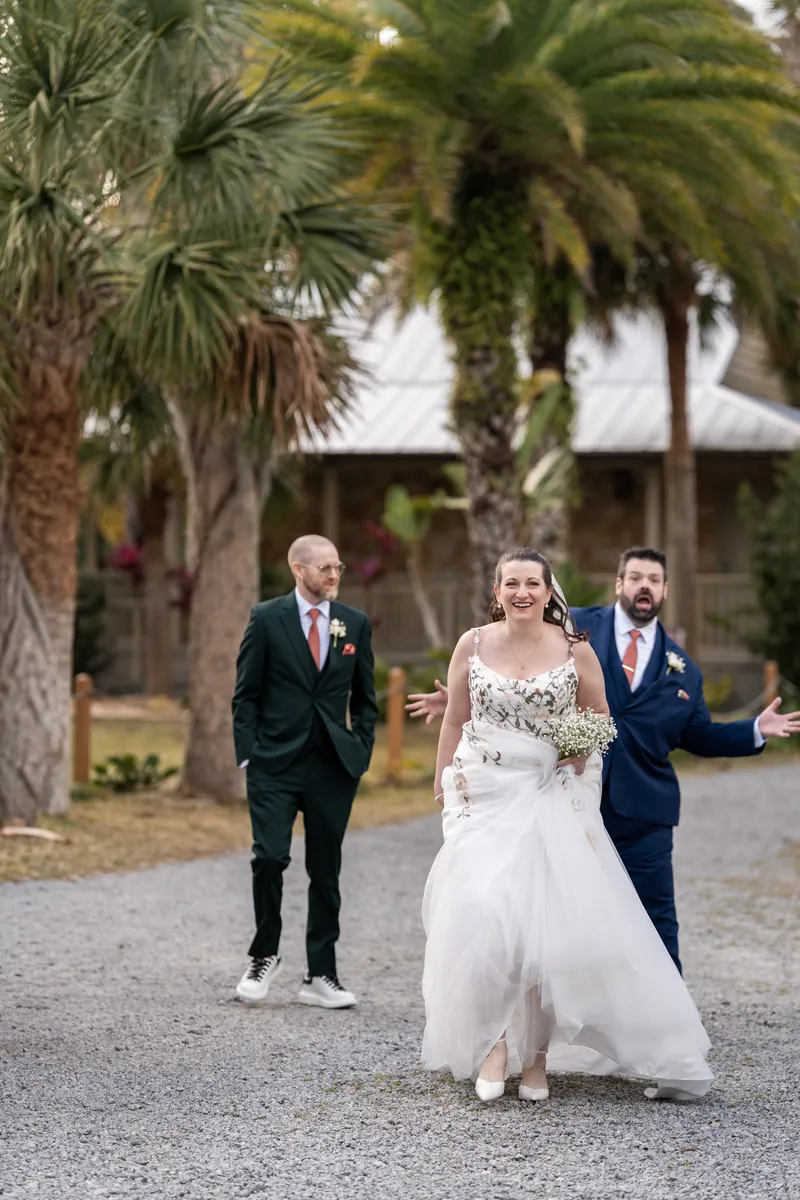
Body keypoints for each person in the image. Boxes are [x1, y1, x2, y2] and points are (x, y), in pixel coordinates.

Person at [409, 546, 800, 972]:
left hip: (642, 808)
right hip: (560, 796)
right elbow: (518, 671)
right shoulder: (574, 628)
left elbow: (698, 734)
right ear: (619, 584)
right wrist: (468, 698)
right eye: (635, 577)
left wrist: (756, 730)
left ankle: (658, 1017)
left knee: (654, 915)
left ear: (665, 590)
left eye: (653, 579)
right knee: (555, 912)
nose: (643, 586)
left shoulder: (683, 669)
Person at [422, 547, 714, 1103]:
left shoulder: (575, 649)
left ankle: (535, 1058)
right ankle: (492, 1047)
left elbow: (600, 719)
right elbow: (457, 717)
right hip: (482, 797)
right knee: (485, 914)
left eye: (532, 582)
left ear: (548, 590)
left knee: (542, 933)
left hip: (548, 797)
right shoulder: (474, 642)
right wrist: (442, 780)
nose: (522, 592)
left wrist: (573, 758)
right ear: (498, 589)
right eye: (512, 583)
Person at [231, 535, 378, 1009]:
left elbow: (366, 699)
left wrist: (361, 748)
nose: (333, 576)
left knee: (326, 868)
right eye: (324, 569)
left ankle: (321, 973)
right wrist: (249, 754)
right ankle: (264, 955)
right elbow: (245, 695)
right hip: (274, 763)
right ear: (298, 569)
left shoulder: (353, 623)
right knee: (269, 857)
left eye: (338, 568)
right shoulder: (266, 618)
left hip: (333, 766)